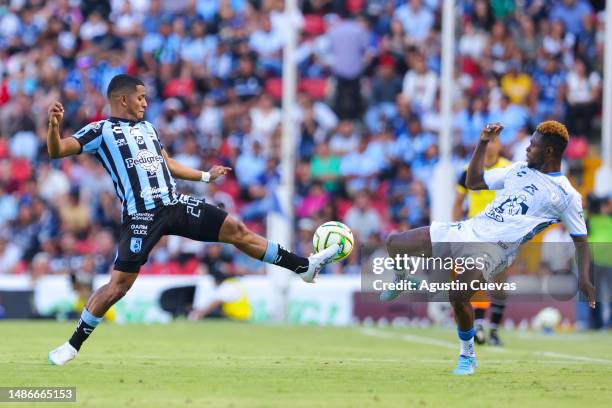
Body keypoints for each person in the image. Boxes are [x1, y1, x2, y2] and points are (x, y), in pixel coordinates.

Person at [47, 74, 342, 365]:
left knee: (236, 229)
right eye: (140, 98)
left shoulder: (149, 128)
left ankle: (303, 266)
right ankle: (72, 346)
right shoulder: (100, 131)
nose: (146, 103)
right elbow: (57, 150)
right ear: (123, 99)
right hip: (141, 214)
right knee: (119, 286)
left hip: (174, 204)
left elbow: (168, 163)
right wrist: (54, 126)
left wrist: (204, 176)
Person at [380, 121, 596, 375]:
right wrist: (482, 142)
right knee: (395, 242)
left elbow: (581, 239)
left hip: (495, 248)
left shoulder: (566, 195)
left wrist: (584, 278)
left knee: (458, 295)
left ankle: (467, 355)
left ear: (549, 151)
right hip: (466, 230)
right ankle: (402, 277)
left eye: (533, 145)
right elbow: (473, 182)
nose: (527, 149)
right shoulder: (518, 170)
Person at [452, 136, 511, 346]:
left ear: (500, 145)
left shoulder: (509, 169)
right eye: (488, 142)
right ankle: (477, 325)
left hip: (501, 233)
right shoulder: (469, 169)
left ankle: (494, 330)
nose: (491, 145)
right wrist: (455, 228)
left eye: (495, 142)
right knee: (475, 279)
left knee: (499, 284)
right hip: (475, 232)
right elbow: (458, 201)